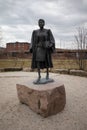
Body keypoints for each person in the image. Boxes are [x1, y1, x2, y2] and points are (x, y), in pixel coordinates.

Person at [30, 19, 55, 83]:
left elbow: (52, 40)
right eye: (39, 22)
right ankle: (39, 76)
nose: (40, 23)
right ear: (38, 24)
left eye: (42, 22)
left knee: (46, 62)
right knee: (38, 62)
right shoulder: (35, 32)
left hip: (45, 49)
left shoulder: (48, 31)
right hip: (38, 49)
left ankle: (47, 74)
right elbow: (32, 41)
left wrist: (49, 45)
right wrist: (31, 47)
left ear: (44, 23)